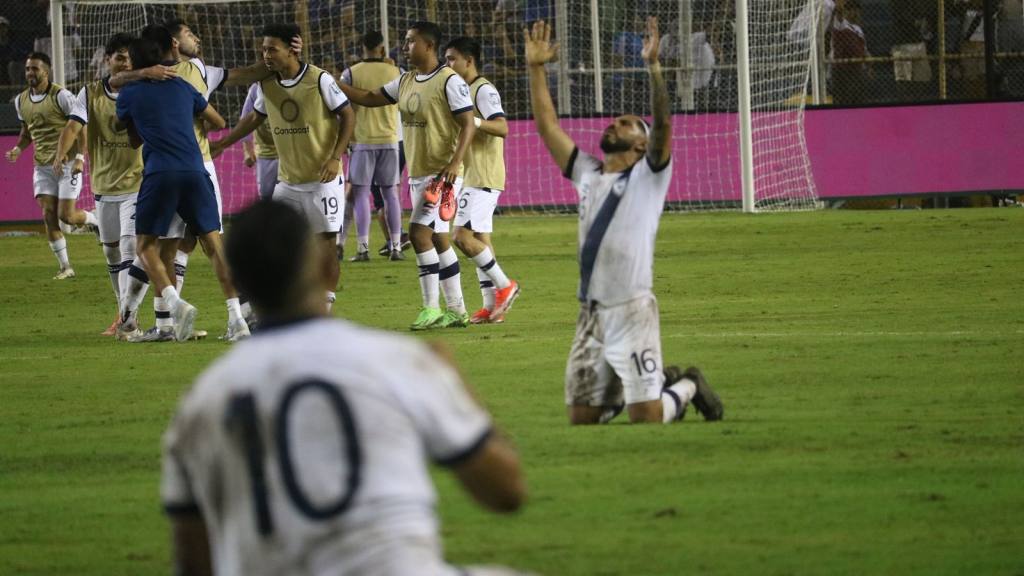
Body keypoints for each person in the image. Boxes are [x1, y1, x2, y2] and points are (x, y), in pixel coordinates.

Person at [161, 200, 533, 576]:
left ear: (235, 281)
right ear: (326, 270)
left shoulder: (201, 401)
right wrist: (457, 386)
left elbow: (194, 561)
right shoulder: (398, 361)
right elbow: (507, 491)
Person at [525, 18, 724, 425]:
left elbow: (665, 126)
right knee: (582, 420)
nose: (614, 122)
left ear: (641, 144)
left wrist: (653, 67)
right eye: (616, 120)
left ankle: (687, 385)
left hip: (632, 310)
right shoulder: (588, 173)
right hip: (590, 313)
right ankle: (617, 397)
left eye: (627, 123)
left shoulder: (649, 177)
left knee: (647, 418)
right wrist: (536, 68)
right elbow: (547, 126)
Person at [112, 19, 278, 340]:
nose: (195, 37)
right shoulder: (182, 84)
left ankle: (172, 313)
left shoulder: (200, 70)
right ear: (172, 44)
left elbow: (246, 74)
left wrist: (273, 62)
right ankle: (168, 324)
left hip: (174, 168)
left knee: (160, 246)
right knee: (180, 247)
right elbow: (217, 120)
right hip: (195, 168)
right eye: (188, 34)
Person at [339, 21, 477, 330]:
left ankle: (430, 309)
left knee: (417, 234)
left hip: (443, 173)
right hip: (418, 171)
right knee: (440, 239)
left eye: (410, 41)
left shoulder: (449, 81)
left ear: (429, 46)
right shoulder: (405, 80)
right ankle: (457, 309)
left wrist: (455, 163)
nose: (404, 46)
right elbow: (370, 97)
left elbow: (468, 123)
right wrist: (336, 85)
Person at [210, 23, 355, 313]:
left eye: (271, 49)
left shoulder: (319, 79)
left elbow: (348, 115)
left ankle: (323, 310)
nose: (266, 55)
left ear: (292, 50)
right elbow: (254, 118)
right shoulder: (267, 83)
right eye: (263, 49)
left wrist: (336, 156)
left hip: (322, 180)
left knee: (326, 246)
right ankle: (257, 305)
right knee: (266, 240)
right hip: (287, 181)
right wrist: (224, 143)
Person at [53, 32, 144, 336]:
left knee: (131, 247)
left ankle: (130, 318)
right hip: (104, 186)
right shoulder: (89, 93)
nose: (126, 61)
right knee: (112, 254)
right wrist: (61, 152)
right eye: (120, 56)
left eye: (130, 56)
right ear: (107, 60)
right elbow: (72, 125)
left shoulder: (144, 90)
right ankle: (123, 313)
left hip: (137, 182)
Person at [443, 37, 521, 324]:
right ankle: (492, 307)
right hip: (474, 174)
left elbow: (502, 127)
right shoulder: (463, 91)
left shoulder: (483, 90)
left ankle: (505, 286)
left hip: (484, 175)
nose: (448, 64)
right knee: (480, 240)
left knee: (460, 237)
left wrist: (473, 122)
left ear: (468, 60)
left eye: (452, 59)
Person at [5, 51, 98, 280]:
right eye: (27, 69)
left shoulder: (62, 96)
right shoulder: (21, 101)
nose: (30, 73)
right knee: (48, 214)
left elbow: (81, 126)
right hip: (43, 166)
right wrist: (18, 148)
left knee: (66, 216)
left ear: (46, 71)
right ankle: (65, 266)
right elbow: (27, 131)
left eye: (34, 68)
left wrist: (80, 158)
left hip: (67, 165)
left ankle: (94, 220)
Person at [340, 30, 404, 262]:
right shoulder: (397, 72)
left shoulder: (350, 74)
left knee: (361, 196)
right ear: (383, 48)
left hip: (362, 141)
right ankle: (395, 247)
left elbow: (342, 110)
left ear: (362, 48)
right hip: (390, 140)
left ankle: (363, 248)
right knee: (391, 195)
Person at [239, 81, 279, 200]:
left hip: (291, 155)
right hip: (265, 154)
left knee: (292, 197)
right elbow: (245, 120)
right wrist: (247, 150)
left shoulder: (295, 85)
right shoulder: (256, 88)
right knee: (267, 198)